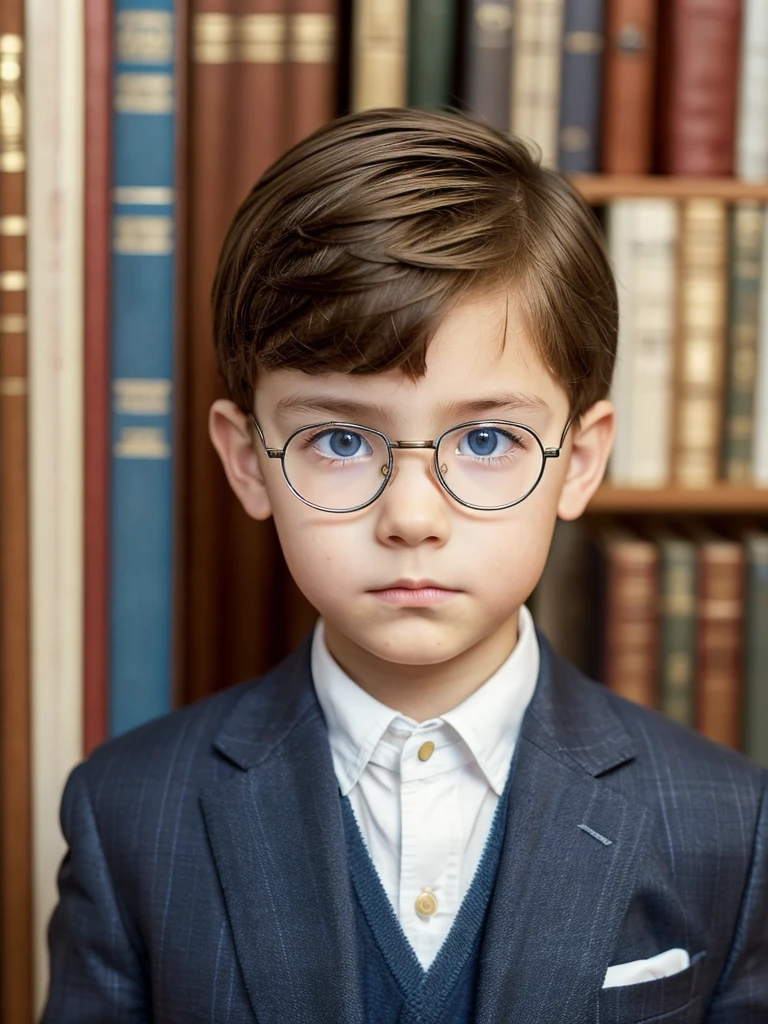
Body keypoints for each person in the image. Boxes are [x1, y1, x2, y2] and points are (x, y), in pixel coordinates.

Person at [43, 109, 766, 1023]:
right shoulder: (128, 813)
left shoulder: (729, 823)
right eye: (341, 439)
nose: (413, 518)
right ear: (245, 460)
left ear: (579, 460)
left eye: (489, 438)